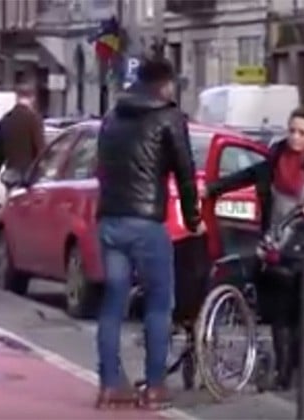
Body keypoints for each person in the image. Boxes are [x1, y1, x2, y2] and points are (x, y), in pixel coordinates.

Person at [205, 107, 304, 390]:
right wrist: (213, 188)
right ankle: (283, 374)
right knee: (280, 312)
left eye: (302, 133)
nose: (295, 138)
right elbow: (250, 175)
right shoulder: (276, 158)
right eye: (292, 131)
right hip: (276, 244)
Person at [94, 57, 203, 410]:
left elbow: (100, 168)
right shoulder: (169, 116)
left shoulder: (112, 117)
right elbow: (186, 173)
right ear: (166, 84)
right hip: (146, 223)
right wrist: (193, 218)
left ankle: (111, 384)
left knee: (112, 303)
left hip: (110, 220)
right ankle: (154, 385)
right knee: (159, 303)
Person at [0, 81, 46, 192]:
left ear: (17, 97)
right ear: (32, 98)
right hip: (29, 176)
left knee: (12, 202)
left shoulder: (7, 118)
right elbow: (40, 148)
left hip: (11, 174)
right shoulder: (34, 119)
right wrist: (42, 170)